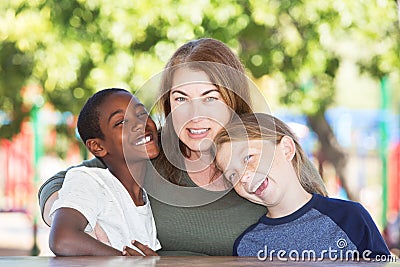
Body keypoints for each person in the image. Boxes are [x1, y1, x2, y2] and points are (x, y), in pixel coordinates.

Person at [38, 38, 324, 256]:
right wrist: (74, 218)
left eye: (210, 97)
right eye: (181, 99)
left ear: (233, 101)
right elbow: (62, 182)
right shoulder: (150, 151)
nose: (194, 114)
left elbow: (322, 214)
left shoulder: (268, 149)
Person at [213, 112, 390, 259]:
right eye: (233, 175)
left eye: (248, 158)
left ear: (287, 149)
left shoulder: (350, 217)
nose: (244, 177)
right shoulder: (247, 246)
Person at [48, 88, 161, 256]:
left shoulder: (144, 198)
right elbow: (62, 239)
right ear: (98, 147)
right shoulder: (90, 180)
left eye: (141, 114)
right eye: (121, 122)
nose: (140, 124)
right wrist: (123, 260)